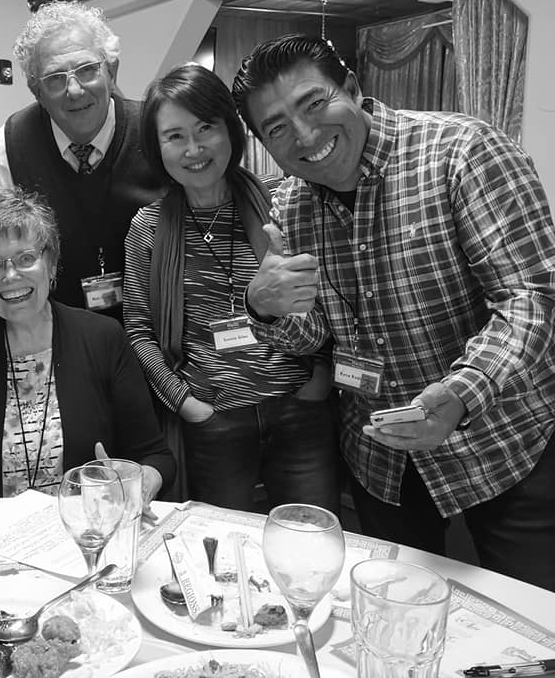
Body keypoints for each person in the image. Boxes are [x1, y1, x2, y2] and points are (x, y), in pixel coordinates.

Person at [232, 34, 555, 590]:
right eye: (277, 127)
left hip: (502, 443)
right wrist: (264, 310)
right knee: (394, 614)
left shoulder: (462, 151)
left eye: (314, 103)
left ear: (353, 87)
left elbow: (531, 296)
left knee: (531, 618)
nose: (305, 135)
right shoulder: (291, 205)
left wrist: (461, 392)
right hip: (382, 458)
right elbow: (313, 336)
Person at [123, 63, 337, 510]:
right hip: (214, 418)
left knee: (310, 535)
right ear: (157, 147)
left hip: (298, 408)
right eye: (175, 136)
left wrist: (318, 379)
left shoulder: (282, 202)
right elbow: (139, 330)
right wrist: (187, 404)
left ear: (230, 130)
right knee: (218, 543)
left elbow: (327, 295)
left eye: (206, 127)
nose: (194, 148)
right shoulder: (148, 227)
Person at [0, 186, 175, 507]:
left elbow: (156, 457)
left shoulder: (103, 338)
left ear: (50, 264)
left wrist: (141, 481)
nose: (10, 275)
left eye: (26, 259)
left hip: (83, 527)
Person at [0, 0, 165, 320]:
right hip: (55, 334)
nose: (74, 90)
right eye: (55, 78)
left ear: (112, 70)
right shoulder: (10, 144)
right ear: (36, 91)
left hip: (154, 330)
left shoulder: (157, 130)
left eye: (87, 70)